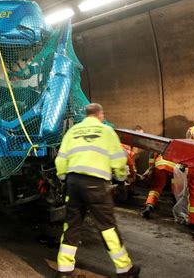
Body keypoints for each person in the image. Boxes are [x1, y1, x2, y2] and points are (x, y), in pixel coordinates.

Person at [55, 103, 140, 277]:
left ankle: (65, 269)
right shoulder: (107, 131)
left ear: (86, 115)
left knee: (71, 224)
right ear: (100, 115)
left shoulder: (72, 132)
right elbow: (118, 158)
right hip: (95, 185)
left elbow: (61, 159)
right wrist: (122, 177)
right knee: (107, 226)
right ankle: (124, 269)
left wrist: (64, 176)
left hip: (73, 183)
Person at [141, 154, 177, 219]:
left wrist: (151, 167)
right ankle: (176, 209)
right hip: (174, 168)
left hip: (160, 165)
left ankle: (150, 205)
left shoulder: (163, 144)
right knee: (175, 188)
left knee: (156, 187)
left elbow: (152, 155)